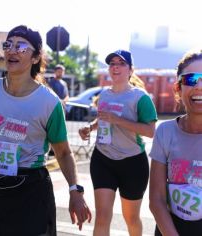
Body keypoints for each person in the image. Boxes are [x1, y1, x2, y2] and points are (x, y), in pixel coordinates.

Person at [0, 25, 91, 236]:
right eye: (8, 45)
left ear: (35, 58)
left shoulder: (49, 102)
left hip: (31, 190)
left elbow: (63, 152)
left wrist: (75, 191)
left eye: (21, 46)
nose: (12, 50)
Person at [78, 49, 158, 236]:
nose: (115, 67)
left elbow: (150, 131)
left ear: (130, 70)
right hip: (103, 159)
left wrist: (119, 120)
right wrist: (89, 128)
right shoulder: (104, 95)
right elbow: (103, 119)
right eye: (112, 64)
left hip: (132, 162)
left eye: (121, 63)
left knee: (130, 217)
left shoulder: (141, 98)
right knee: (103, 216)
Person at [149, 49, 202, 236]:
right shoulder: (165, 131)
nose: (199, 86)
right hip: (169, 229)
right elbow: (156, 199)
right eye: (191, 79)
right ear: (178, 88)